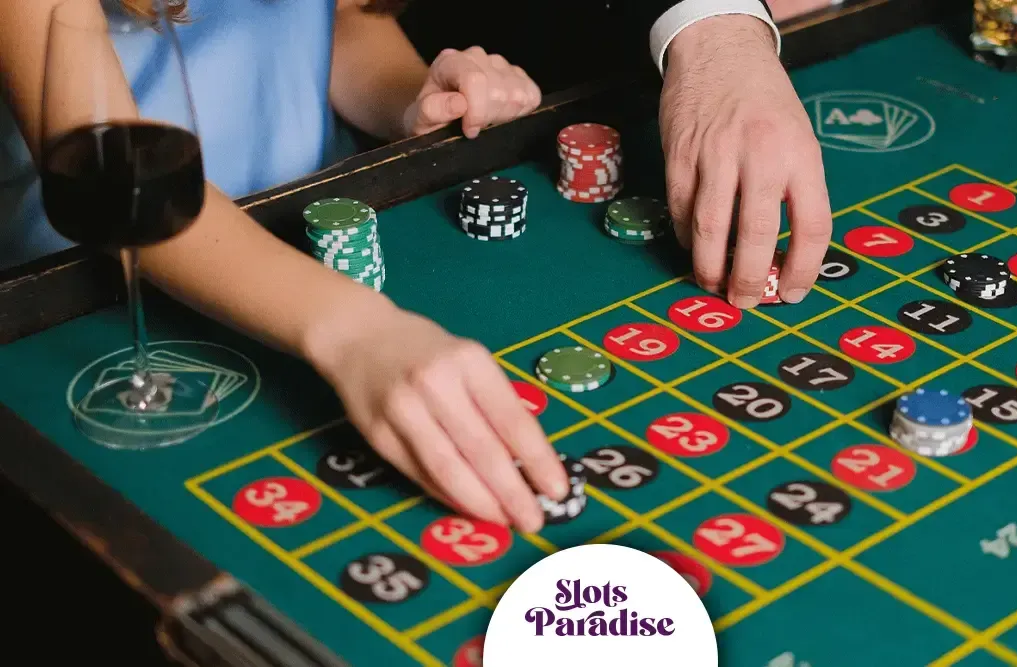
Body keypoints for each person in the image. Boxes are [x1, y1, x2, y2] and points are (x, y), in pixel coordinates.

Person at [0, 0, 830, 534]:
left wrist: (412, 99)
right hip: (94, 300)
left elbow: (338, 26)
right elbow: (120, 183)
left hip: (311, 235)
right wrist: (357, 331)